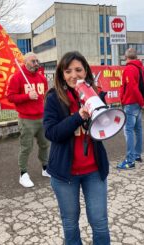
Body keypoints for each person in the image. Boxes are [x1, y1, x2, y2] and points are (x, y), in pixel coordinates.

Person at [43, 51, 110, 244]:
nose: (74, 75)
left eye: (79, 70)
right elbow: (52, 133)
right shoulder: (54, 98)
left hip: (94, 171)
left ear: (86, 71)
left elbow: (105, 128)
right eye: (68, 71)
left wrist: (100, 103)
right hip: (65, 174)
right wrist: (78, 117)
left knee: (100, 221)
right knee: (70, 223)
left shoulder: (95, 93)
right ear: (61, 74)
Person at [7, 52, 50, 188]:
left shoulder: (42, 78)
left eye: (37, 61)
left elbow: (46, 96)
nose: (36, 64)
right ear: (25, 63)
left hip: (42, 118)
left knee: (44, 145)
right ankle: (23, 173)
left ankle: (45, 168)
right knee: (26, 147)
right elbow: (10, 97)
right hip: (26, 120)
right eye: (33, 61)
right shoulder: (17, 78)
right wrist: (27, 96)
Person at [117, 48, 144, 169]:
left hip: (131, 103)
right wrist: (142, 102)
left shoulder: (129, 69)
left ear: (125, 57)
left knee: (128, 131)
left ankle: (130, 160)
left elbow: (133, 88)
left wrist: (140, 102)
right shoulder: (140, 67)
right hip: (137, 103)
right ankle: (137, 155)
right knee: (138, 130)